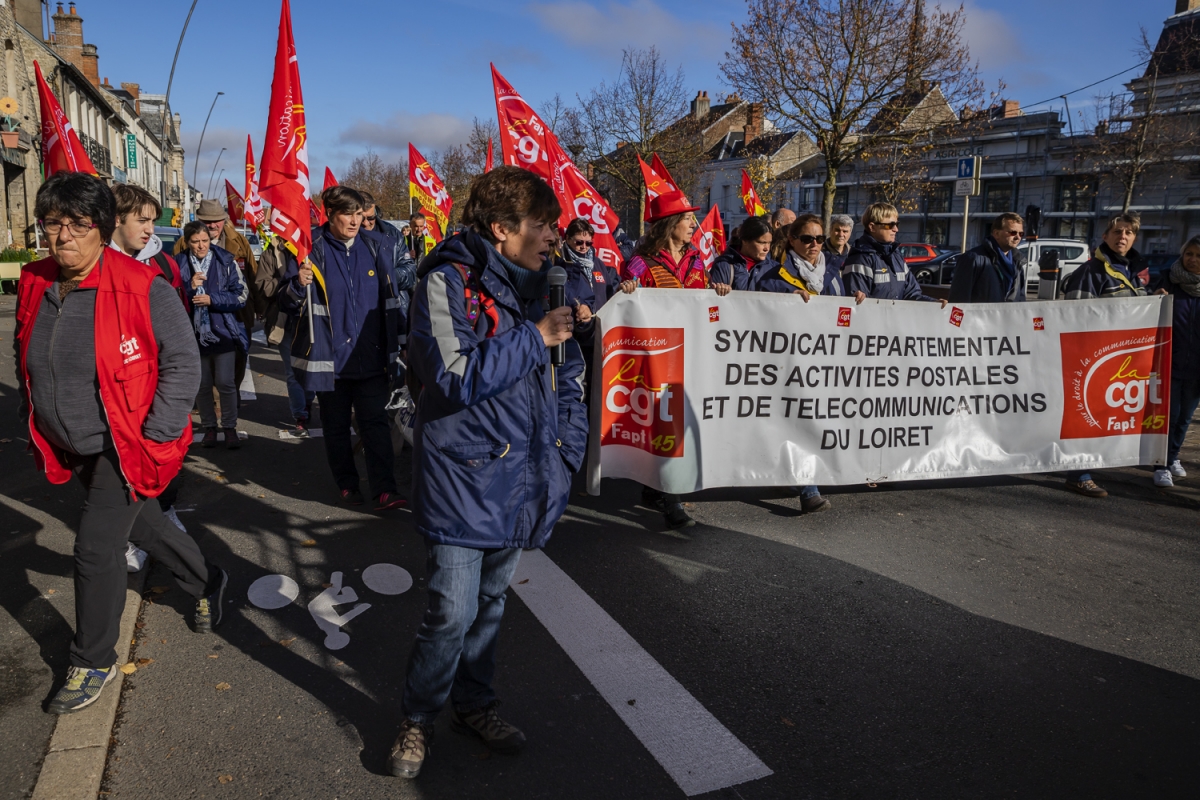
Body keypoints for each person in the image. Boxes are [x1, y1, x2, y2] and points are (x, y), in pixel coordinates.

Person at [391, 166, 586, 780]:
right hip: (463, 477)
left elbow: (574, 376)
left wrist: (565, 451)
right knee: (451, 609)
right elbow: (450, 374)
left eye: (555, 226)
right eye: (543, 225)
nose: (555, 236)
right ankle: (417, 717)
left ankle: (473, 705)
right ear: (502, 229)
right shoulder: (446, 280)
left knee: (493, 603)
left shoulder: (549, 286)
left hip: (527, 475)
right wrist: (534, 336)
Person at [14, 172, 227, 715]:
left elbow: (181, 363)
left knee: (95, 546)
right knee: (147, 525)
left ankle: (93, 659)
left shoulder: (142, 285)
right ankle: (208, 578)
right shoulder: (36, 280)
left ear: (101, 227)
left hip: (126, 441)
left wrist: (157, 432)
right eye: (52, 223)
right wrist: (31, 407)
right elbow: (25, 349)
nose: (62, 236)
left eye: (77, 224)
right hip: (71, 441)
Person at [281, 186, 407, 510]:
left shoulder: (378, 247)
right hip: (330, 361)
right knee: (336, 429)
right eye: (347, 215)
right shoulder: (310, 249)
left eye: (359, 215)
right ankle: (347, 484)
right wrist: (298, 284)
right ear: (330, 215)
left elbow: (392, 302)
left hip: (372, 358)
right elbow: (285, 301)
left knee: (376, 425)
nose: (355, 221)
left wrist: (401, 344)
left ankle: (385, 489)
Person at [619, 190, 725, 529]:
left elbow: (704, 301)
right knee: (666, 424)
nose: (693, 224)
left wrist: (718, 293)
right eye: (687, 219)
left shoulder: (697, 261)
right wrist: (627, 289)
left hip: (692, 352)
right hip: (657, 355)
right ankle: (672, 498)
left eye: (693, 218)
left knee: (676, 421)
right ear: (669, 225)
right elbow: (625, 294)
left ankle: (654, 487)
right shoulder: (641, 262)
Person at [756, 214, 865, 512]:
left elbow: (840, 316)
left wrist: (853, 302)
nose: (814, 244)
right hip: (788, 364)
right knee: (799, 420)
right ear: (792, 240)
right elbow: (758, 306)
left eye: (818, 238)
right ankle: (808, 488)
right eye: (807, 239)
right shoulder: (773, 274)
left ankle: (804, 479)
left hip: (826, 362)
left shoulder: (831, 273)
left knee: (817, 420)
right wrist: (784, 298)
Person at [109, 184, 189, 569]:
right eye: (142, 220)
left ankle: (165, 517)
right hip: (115, 388)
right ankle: (133, 536)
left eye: (152, 221)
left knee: (162, 458)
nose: (150, 230)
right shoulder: (94, 267)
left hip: (154, 384)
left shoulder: (161, 265)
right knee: (118, 472)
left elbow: (177, 332)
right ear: (115, 219)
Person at [1062, 213, 1149, 498]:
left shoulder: (1136, 270)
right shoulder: (1091, 271)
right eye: (1116, 232)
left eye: (1128, 232)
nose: (1122, 237)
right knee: (1085, 418)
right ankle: (1079, 474)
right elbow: (1074, 318)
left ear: (1134, 237)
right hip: (1094, 360)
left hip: (1122, 362)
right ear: (1105, 237)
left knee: (1105, 418)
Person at [176, 221, 249, 449]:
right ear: (187, 242)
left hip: (223, 331)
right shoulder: (178, 263)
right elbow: (168, 298)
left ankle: (229, 428)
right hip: (192, 335)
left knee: (226, 383)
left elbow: (241, 295)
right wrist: (189, 287)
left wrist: (213, 299)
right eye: (195, 242)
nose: (201, 246)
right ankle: (209, 427)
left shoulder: (226, 260)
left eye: (205, 241)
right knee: (203, 384)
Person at [1151, 236, 1200, 488]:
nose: (1192, 259)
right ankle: (1160, 465)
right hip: (1167, 363)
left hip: (1196, 368)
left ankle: (1173, 457)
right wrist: (1153, 297)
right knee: (1168, 415)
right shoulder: (1168, 280)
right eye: (1189, 253)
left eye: (1198, 256)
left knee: (1185, 418)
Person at [254, 234, 316, 433]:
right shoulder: (271, 253)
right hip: (284, 320)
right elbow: (262, 284)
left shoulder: (314, 248)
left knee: (311, 368)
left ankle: (307, 402)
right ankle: (300, 414)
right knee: (292, 371)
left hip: (312, 321)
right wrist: (288, 286)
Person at [843, 202, 948, 305]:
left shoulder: (896, 256)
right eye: (890, 225)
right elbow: (859, 306)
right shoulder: (860, 258)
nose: (896, 229)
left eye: (897, 224)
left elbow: (911, 294)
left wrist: (933, 304)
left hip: (894, 321)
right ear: (872, 227)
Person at [949, 213, 1028, 303]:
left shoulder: (1017, 262)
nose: (1018, 237)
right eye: (1013, 232)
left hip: (1007, 316)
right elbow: (959, 298)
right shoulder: (973, 258)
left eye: (1021, 234)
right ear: (996, 233)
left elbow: (1020, 300)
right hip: (980, 316)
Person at [712, 215, 775, 290]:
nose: (767, 248)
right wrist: (720, 290)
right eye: (761, 243)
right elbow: (713, 300)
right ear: (745, 241)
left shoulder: (774, 269)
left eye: (769, 243)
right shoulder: (724, 266)